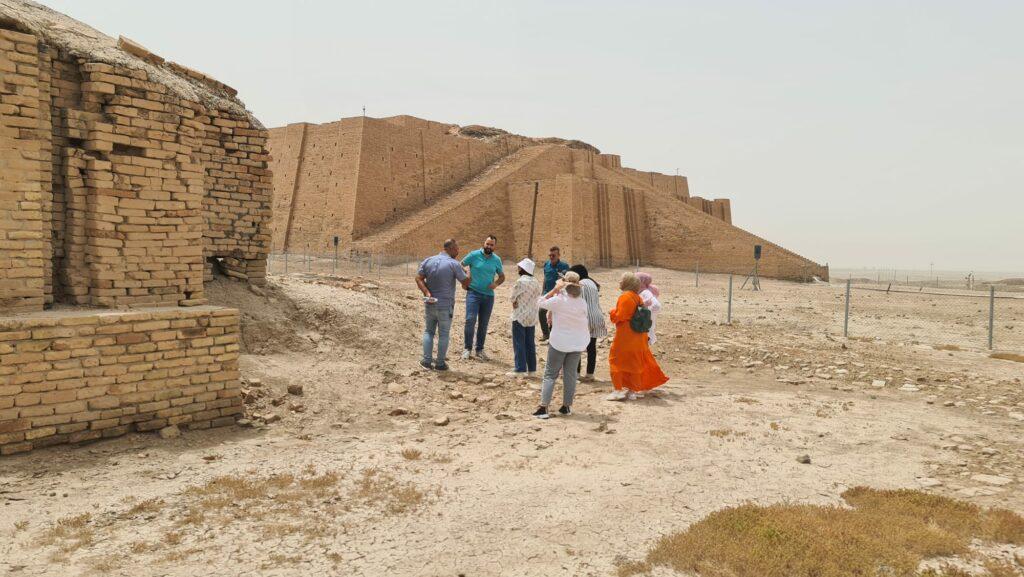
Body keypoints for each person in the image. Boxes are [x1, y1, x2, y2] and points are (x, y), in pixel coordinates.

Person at [532, 271, 590, 419]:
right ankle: (566, 406)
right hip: (576, 343)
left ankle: (544, 408)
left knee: (550, 375)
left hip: (559, 343)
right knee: (570, 376)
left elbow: (539, 302)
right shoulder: (582, 302)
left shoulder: (559, 300)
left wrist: (555, 289)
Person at [607, 272, 668, 400]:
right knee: (634, 362)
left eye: (621, 280)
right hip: (638, 336)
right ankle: (632, 391)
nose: (619, 282)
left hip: (626, 336)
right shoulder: (637, 297)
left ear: (627, 283)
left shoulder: (625, 297)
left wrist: (612, 312)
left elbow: (620, 316)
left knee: (615, 360)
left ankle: (618, 390)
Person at [415, 238, 470, 371]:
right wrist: (468, 272)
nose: (458, 251)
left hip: (430, 303)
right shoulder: (454, 263)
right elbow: (466, 284)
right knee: (444, 334)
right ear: (450, 249)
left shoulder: (428, 260)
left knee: (429, 331)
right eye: (457, 249)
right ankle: (440, 364)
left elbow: (418, 278)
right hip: (445, 305)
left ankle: (427, 361)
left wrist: (426, 292)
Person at [460, 235, 505, 361]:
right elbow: (460, 265)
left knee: (483, 324)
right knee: (470, 319)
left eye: (491, 245)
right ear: (484, 243)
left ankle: (479, 349)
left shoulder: (497, 259)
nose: (489, 246)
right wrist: (467, 274)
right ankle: (467, 348)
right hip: (473, 293)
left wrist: (495, 284)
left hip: (488, 296)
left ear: (494, 246)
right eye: (487, 244)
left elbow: (502, 276)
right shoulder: (473, 255)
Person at [569, 264, 607, 382]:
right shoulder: (592, 284)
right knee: (591, 347)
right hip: (596, 316)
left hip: (585, 318)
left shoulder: (579, 284)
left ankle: (576, 374)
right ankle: (590, 374)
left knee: (576, 346)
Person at [508, 258, 541, 377]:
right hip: (532, 316)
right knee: (530, 343)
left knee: (519, 342)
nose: (518, 269)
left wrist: (514, 302)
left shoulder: (520, 281)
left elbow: (513, 297)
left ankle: (520, 369)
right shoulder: (536, 282)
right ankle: (532, 370)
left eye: (519, 267)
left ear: (523, 269)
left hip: (520, 315)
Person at [538, 246, 570, 342]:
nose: (551, 257)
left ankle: (553, 335)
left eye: (553, 255)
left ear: (558, 255)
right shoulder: (546, 264)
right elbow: (545, 278)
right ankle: (546, 334)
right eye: (550, 255)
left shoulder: (564, 266)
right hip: (547, 293)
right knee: (541, 312)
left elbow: (566, 281)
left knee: (555, 314)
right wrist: (543, 292)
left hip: (558, 294)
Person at [636, 272, 663, 345]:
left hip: (648, 316)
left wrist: (647, 309)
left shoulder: (646, 292)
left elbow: (656, 305)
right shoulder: (641, 291)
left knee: (648, 330)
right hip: (645, 317)